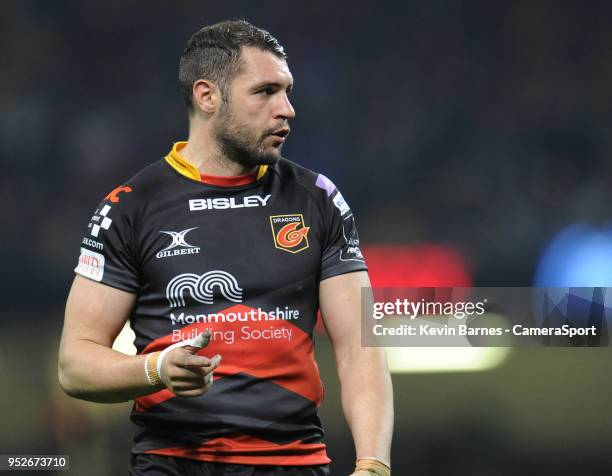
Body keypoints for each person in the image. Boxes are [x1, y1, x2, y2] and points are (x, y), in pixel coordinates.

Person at [58, 20, 393, 476]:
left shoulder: (318, 199)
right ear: (207, 96)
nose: (288, 109)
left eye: (288, 91)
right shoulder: (129, 208)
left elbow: (360, 347)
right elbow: (75, 364)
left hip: (293, 463)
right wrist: (154, 370)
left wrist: (373, 464)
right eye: (266, 92)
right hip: (173, 463)